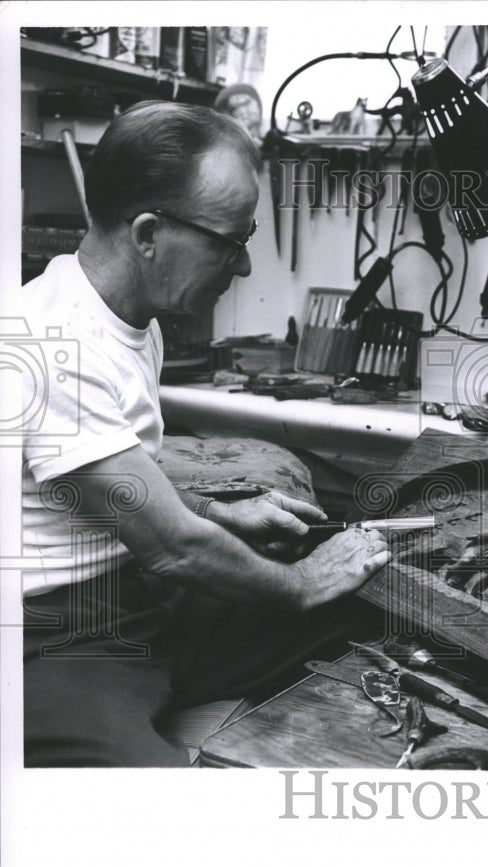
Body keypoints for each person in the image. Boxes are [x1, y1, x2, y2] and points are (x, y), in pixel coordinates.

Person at [20, 101, 391, 767]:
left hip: (138, 601)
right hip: (50, 639)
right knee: (165, 823)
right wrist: (302, 582)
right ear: (147, 233)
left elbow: (124, 492)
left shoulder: (136, 320)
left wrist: (219, 510)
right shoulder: (53, 341)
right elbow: (172, 547)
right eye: (232, 242)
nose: (243, 269)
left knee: (375, 596)